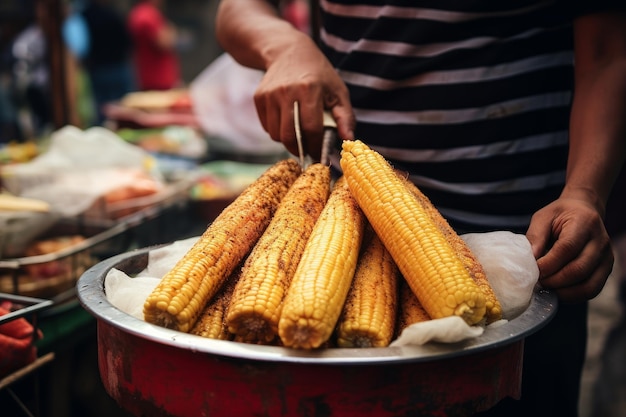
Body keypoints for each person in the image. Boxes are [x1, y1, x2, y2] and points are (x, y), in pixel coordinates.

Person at [214, 1, 626, 416]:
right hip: (351, 219)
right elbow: (237, 9)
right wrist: (283, 45)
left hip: (528, 242)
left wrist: (585, 192)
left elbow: (609, 50)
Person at [81, 0, 135, 124]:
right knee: (124, 109)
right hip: (117, 67)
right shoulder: (113, 14)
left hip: (98, 69)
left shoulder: (85, 15)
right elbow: (127, 41)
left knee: (103, 113)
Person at [127, 0, 181, 91]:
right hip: (156, 80)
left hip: (154, 78)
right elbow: (164, 42)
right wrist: (172, 30)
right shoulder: (146, 14)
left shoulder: (141, 13)